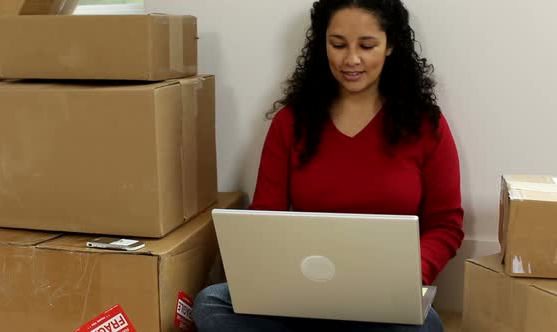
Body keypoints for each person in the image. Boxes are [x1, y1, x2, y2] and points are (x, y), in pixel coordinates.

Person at [193, 0, 463, 331]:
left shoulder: (425, 125)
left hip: (383, 297)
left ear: (391, 45)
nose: (351, 59)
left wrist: (408, 277)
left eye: (367, 45)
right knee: (211, 303)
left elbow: (446, 225)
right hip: (304, 294)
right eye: (338, 44)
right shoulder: (291, 122)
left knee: (426, 326)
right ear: (322, 44)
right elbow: (266, 219)